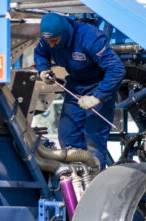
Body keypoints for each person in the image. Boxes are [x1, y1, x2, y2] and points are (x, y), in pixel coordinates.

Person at [34, 13, 125, 168]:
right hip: (75, 85)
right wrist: (43, 70)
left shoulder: (89, 38)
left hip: (98, 85)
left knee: (93, 140)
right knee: (67, 136)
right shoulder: (49, 40)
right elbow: (40, 53)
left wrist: (97, 97)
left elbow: (116, 69)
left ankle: (95, 177)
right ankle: (76, 177)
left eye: (54, 41)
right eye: (48, 41)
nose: (51, 45)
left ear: (65, 33)